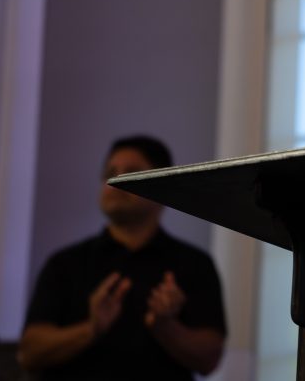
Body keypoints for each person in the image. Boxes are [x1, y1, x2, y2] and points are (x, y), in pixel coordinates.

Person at [18, 135, 227, 381]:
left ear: (162, 185)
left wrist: (166, 326)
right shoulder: (65, 263)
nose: (114, 182)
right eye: (110, 173)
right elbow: (29, 354)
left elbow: (209, 361)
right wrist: (91, 329)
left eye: (131, 172)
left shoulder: (195, 264)